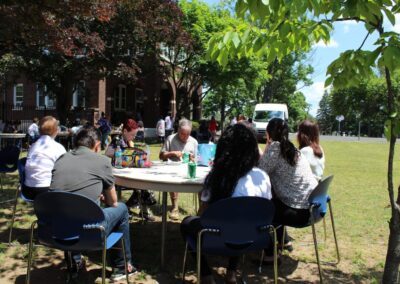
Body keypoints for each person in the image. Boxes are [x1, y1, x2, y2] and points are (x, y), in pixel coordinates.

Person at [181, 124, 272, 284]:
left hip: (217, 240)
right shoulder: (262, 177)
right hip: (254, 239)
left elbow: (204, 216)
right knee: (241, 220)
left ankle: (206, 274)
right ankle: (231, 273)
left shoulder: (216, 178)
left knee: (187, 223)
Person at [50, 126, 137, 281]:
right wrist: (103, 196)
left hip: (57, 230)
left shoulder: (61, 159)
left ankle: (75, 262)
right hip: (89, 233)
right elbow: (113, 202)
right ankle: (122, 265)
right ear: (97, 145)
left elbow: (67, 190)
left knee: (69, 212)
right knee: (122, 209)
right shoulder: (102, 161)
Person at [259, 118, 318, 258]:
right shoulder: (293, 149)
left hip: (299, 213)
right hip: (313, 208)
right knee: (276, 201)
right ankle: (283, 241)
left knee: (260, 208)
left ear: (268, 134)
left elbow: (259, 172)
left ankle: (270, 254)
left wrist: (267, 146)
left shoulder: (275, 148)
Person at [105, 119, 156, 221]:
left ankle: (140, 209)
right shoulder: (118, 140)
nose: (133, 137)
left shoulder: (128, 142)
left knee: (143, 184)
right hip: (119, 175)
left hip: (128, 172)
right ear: (125, 131)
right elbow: (107, 153)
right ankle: (129, 208)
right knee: (141, 187)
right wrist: (121, 152)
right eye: (132, 135)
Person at [159, 118, 198, 220]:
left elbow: (197, 160)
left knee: (203, 180)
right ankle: (175, 207)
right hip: (173, 170)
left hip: (188, 169)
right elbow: (161, 156)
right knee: (173, 177)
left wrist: (193, 159)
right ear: (178, 130)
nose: (184, 137)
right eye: (182, 134)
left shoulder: (194, 142)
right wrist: (172, 153)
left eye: (187, 134)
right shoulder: (170, 138)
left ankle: (201, 210)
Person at [23, 116, 66, 200]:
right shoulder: (58, 148)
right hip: (46, 191)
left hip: (27, 190)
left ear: (39, 131)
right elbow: (65, 169)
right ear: (56, 131)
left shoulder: (33, 146)